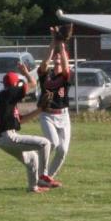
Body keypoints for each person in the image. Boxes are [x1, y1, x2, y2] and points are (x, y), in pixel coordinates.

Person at [0, 63, 61, 193]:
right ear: (14, 84)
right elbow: (33, 84)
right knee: (45, 143)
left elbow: (21, 120)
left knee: (32, 158)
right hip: (8, 137)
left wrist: (40, 109)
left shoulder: (6, 101)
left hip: (3, 139)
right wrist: (26, 73)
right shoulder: (9, 93)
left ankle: (33, 188)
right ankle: (43, 176)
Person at [37, 28, 71, 185]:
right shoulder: (45, 75)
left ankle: (46, 178)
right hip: (47, 115)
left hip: (63, 115)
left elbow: (65, 66)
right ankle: (43, 175)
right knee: (54, 143)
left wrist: (62, 46)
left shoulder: (65, 77)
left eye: (60, 59)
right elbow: (44, 63)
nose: (57, 60)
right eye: (55, 59)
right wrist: (53, 43)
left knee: (63, 150)